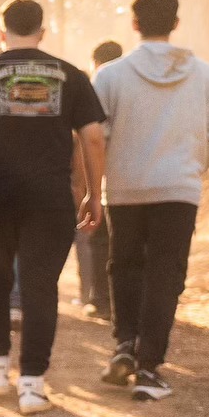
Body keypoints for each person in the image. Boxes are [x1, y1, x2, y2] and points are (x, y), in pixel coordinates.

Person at [0, 0, 105, 413]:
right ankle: (32, 383)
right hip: (49, 202)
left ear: (1, 31)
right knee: (39, 287)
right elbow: (93, 138)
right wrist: (93, 192)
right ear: (42, 31)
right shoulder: (70, 75)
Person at [94, 0, 209, 402]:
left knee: (125, 266)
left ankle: (124, 346)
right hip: (178, 189)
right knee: (166, 274)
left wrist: (105, 175)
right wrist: (190, 166)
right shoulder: (203, 73)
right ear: (176, 23)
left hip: (125, 189)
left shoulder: (110, 75)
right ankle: (150, 367)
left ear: (134, 24)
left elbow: (97, 135)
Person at [74, 39, 123, 319]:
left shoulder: (100, 86)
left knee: (99, 240)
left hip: (107, 181)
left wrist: (88, 187)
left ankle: (101, 300)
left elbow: (91, 140)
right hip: (132, 178)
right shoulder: (130, 85)